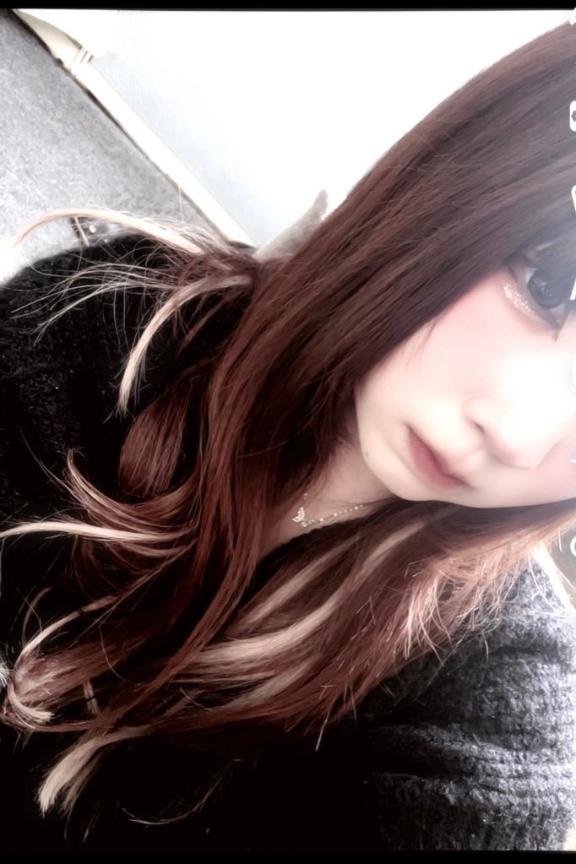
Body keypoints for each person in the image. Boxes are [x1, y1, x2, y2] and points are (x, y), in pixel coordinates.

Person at [0, 19, 576, 854]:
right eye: (549, 284)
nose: (516, 435)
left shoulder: (495, 702)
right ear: (459, 179)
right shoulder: (108, 333)